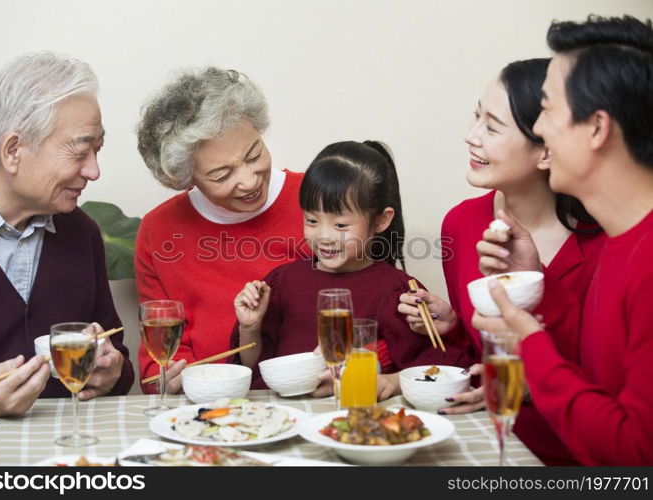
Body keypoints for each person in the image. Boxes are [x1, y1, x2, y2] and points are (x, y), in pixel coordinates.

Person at [397, 59, 607, 464]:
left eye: (491, 127)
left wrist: (536, 281)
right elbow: (482, 356)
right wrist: (454, 327)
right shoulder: (460, 224)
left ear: (546, 149)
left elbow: (599, 379)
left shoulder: (604, 242)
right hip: (481, 442)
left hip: (565, 456)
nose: (470, 137)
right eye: (476, 117)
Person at [473, 15, 653, 465]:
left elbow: (634, 456)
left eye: (548, 110)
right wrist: (536, 282)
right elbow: (596, 381)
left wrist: (529, 349)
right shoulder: (621, 242)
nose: (541, 131)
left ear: (597, 127)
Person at [0, 52, 135, 465]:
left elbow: (118, 363)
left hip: (73, 464)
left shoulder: (81, 232)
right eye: (80, 151)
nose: (94, 171)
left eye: (98, 151)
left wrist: (110, 373)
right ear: (14, 149)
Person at [231, 140, 471, 396]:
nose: (324, 236)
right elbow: (255, 371)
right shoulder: (282, 282)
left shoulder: (397, 292)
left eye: (341, 226)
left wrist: (390, 381)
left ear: (381, 220)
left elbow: (435, 369)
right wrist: (249, 326)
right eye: (312, 220)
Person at [135, 68, 307, 394]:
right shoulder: (159, 231)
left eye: (254, 154)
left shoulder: (319, 203)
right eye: (221, 174)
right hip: (212, 405)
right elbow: (156, 355)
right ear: (188, 177)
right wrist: (168, 374)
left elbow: (375, 310)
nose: (249, 180)